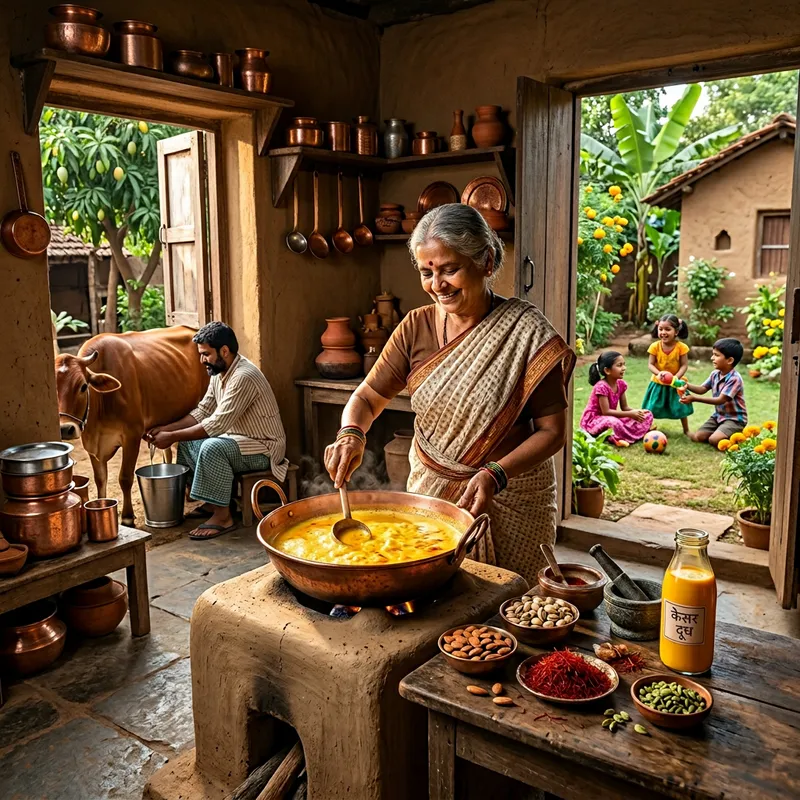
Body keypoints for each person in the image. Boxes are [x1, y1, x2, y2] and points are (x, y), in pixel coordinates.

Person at [323, 204, 575, 586]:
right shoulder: (415, 326)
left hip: (511, 498)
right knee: (433, 597)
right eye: (427, 272)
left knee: (513, 608)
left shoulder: (525, 333)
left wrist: (495, 474)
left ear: (486, 261)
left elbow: (552, 431)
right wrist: (351, 433)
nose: (436, 284)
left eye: (449, 269)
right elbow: (369, 395)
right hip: (434, 497)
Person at [145, 321, 288, 539]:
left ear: (224, 351)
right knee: (189, 441)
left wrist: (170, 437)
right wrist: (165, 429)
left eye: (206, 354)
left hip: (264, 446)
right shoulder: (220, 372)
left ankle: (223, 516)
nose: (202, 360)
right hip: (237, 439)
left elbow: (216, 425)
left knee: (212, 447)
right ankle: (212, 502)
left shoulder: (243, 376)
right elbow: (203, 411)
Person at [680, 338, 747, 446]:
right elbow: (702, 389)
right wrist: (686, 385)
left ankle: (738, 437)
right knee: (698, 437)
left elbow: (720, 400)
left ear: (729, 360)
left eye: (716, 355)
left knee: (714, 440)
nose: (712, 358)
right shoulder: (715, 374)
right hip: (718, 416)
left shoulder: (735, 379)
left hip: (735, 419)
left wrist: (694, 399)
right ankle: (722, 432)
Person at [580, 351, 653, 447]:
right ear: (607, 371)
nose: (624, 368)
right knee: (613, 422)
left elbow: (625, 408)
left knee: (647, 414)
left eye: (624, 365)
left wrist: (636, 412)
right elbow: (605, 412)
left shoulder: (621, 384)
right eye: (619, 365)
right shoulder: (601, 387)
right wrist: (630, 414)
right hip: (595, 420)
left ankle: (636, 432)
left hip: (612, 417)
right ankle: (616, 439)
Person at [642, 314, 693, 434]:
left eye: (667, 329)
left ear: (676, 331)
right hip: (658, 382)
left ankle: (686, 430)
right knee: (652, 406)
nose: (663, 332)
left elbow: (684, 365)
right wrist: (659, 374)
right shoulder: (654, 346)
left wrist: (676, 377)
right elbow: (650, 364)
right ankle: (646, 427)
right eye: (661, 329)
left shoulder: (681, 347)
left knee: (681, 406)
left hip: (675, 383)